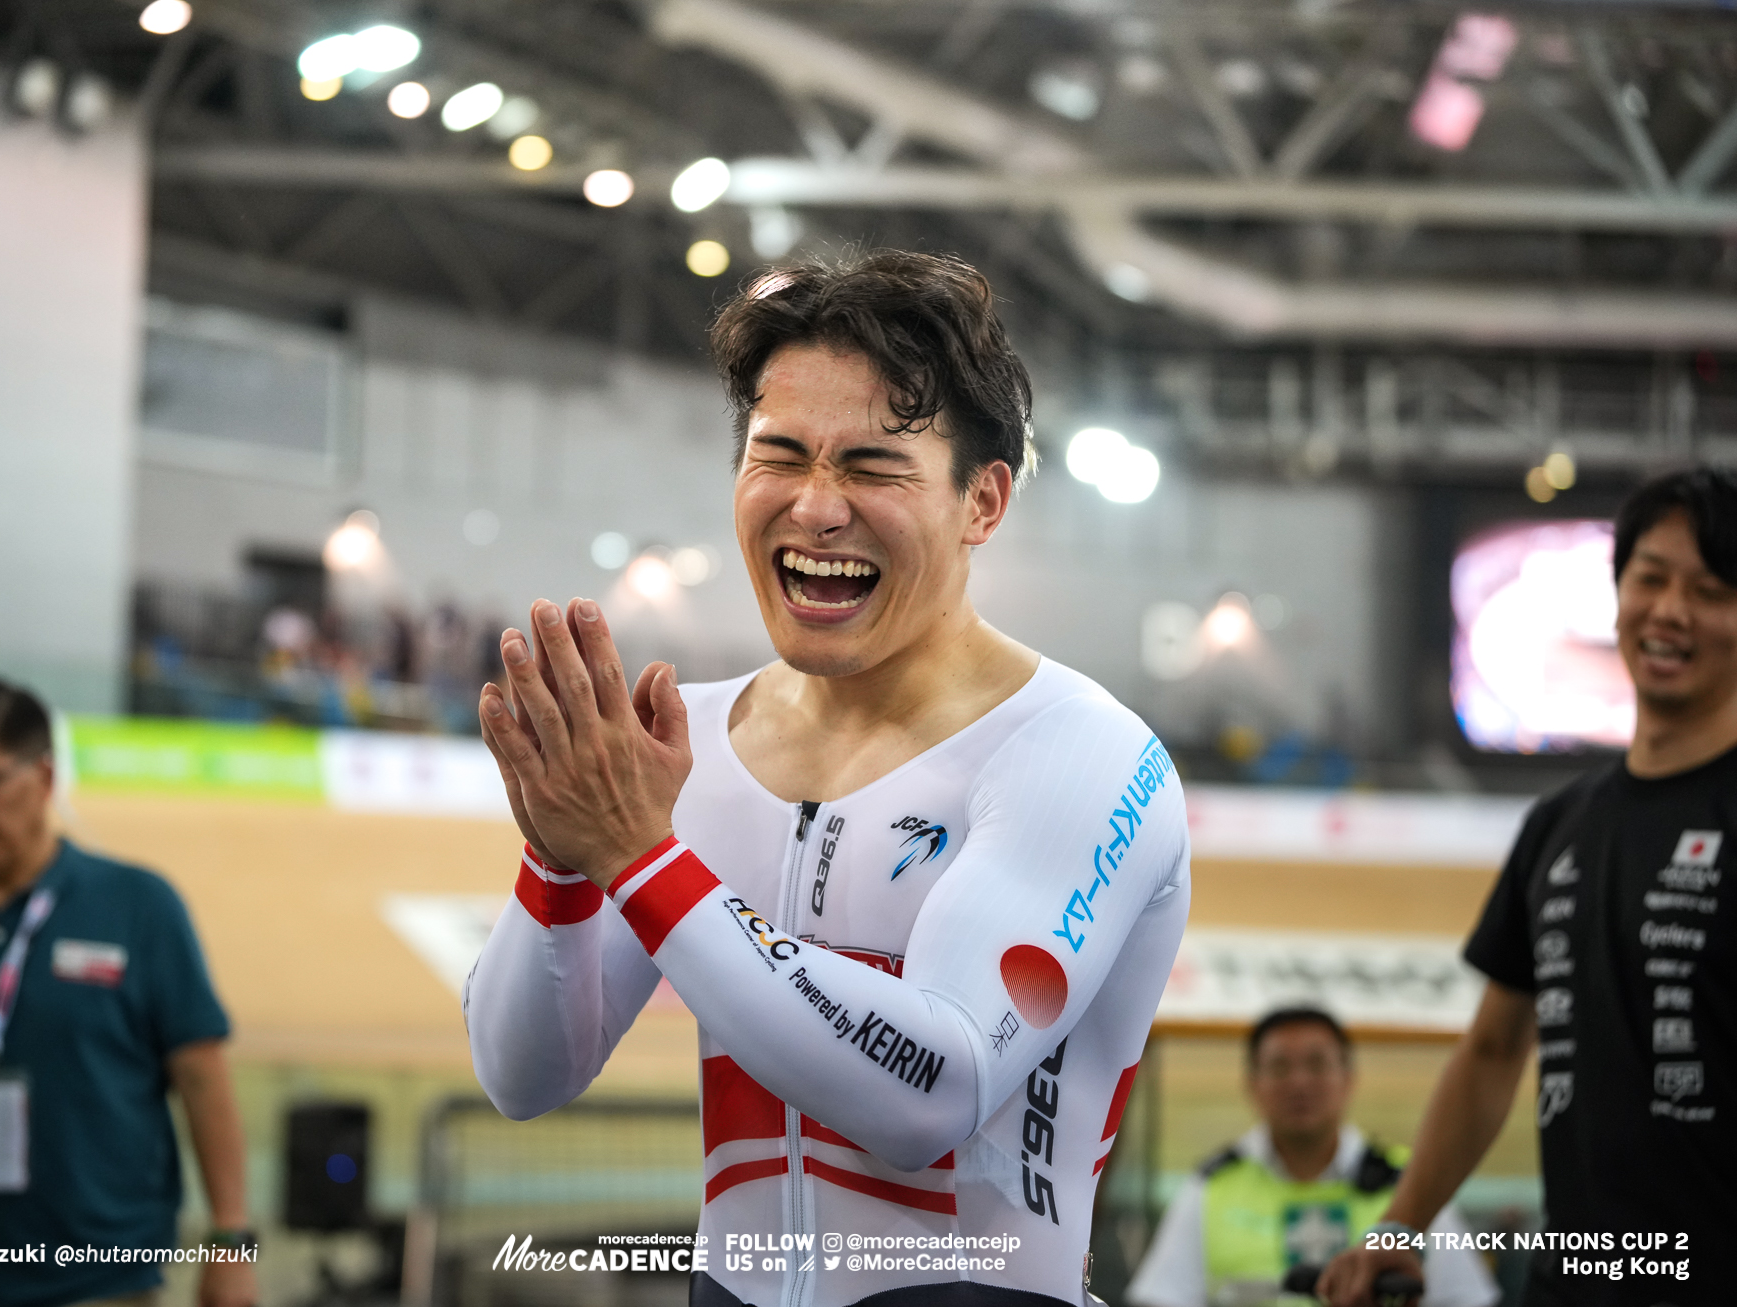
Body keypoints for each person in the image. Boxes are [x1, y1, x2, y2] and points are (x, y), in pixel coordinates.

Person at [464, 251, 1191, 1307]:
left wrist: (638, 855)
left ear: (980, 502)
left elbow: (931, 1090)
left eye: (871, 466)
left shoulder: (1077, 752)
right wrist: (561, 856)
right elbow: (522, 1076)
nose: (814, 507)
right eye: (781, 455)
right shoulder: (685, 742)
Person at [1320, 468, 1737, 1307]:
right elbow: (1492, 1051)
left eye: (1710, 589)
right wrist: (1402, 1225)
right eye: (1649, 578)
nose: (1669, 610)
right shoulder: (1560, 824)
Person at [0, 679, 257, 1307]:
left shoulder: (140, 905)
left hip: (103, 1278)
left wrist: (233, 1245)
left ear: (45, 777)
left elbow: (203, 1077)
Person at [1126, 1008, 1497, 1307]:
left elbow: (1465, 1298)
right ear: (1252, 1084)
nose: (1299, 1082)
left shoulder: (1411, 1181)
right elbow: (1161, 1297)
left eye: (1317, 1065)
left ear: (1349, 1077)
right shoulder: (1210, 1187)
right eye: (1280, 1067)